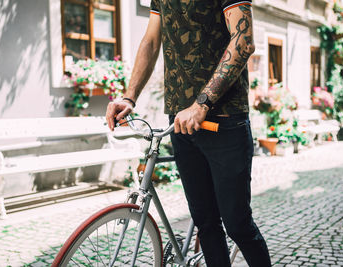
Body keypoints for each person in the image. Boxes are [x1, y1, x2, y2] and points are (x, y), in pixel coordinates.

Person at [106, 1, 271, 266]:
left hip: (224, 121)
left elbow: (243, 41)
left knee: (237, 224)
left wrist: (202, 103)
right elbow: (151, 40)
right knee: (206, 223)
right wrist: (129, 97)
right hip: (181, 122)